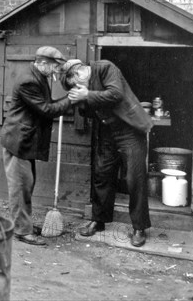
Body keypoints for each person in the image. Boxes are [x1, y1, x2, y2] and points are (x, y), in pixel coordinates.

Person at [60, 59, 153, 247]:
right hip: (107, 133)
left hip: (130, 130)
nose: (78, 88)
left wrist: (87, 94)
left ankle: (139, 227)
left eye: (76, 84)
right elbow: (88, 111)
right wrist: (80, 102)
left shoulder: (105, 68)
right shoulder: (85, 87)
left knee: (135, 179)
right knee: (102, 174)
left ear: (80, 74)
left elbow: (116, 94)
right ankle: (99, 221)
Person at [1, 46, 71, 245]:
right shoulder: (29, 81)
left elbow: (46, 105)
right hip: (18, 142)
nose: (56, 71)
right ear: (41, 63)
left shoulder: (39, 77)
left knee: (26, 185)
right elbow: (46, 109)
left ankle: (25, 225)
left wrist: (67, 100)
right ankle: (22, 231)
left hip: (25, 141)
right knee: (20, 187)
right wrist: (71, 99)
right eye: (54, 66)